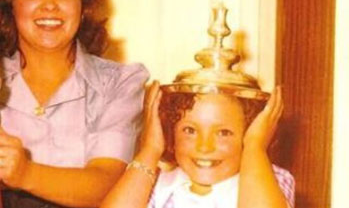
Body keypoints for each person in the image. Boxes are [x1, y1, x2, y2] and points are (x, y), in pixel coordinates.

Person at [0, 0, 149, 207]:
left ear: (83, 5)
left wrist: (24, 173)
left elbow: (107, 183)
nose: (50, 5)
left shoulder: (119, 83)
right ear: (10, 3)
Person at [99, 82, 295, 208]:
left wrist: (255, 147)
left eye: (223, 133)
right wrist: (150, 149)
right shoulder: (157, 184)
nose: (204, 147)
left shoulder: (271, 180)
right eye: (190, 131)